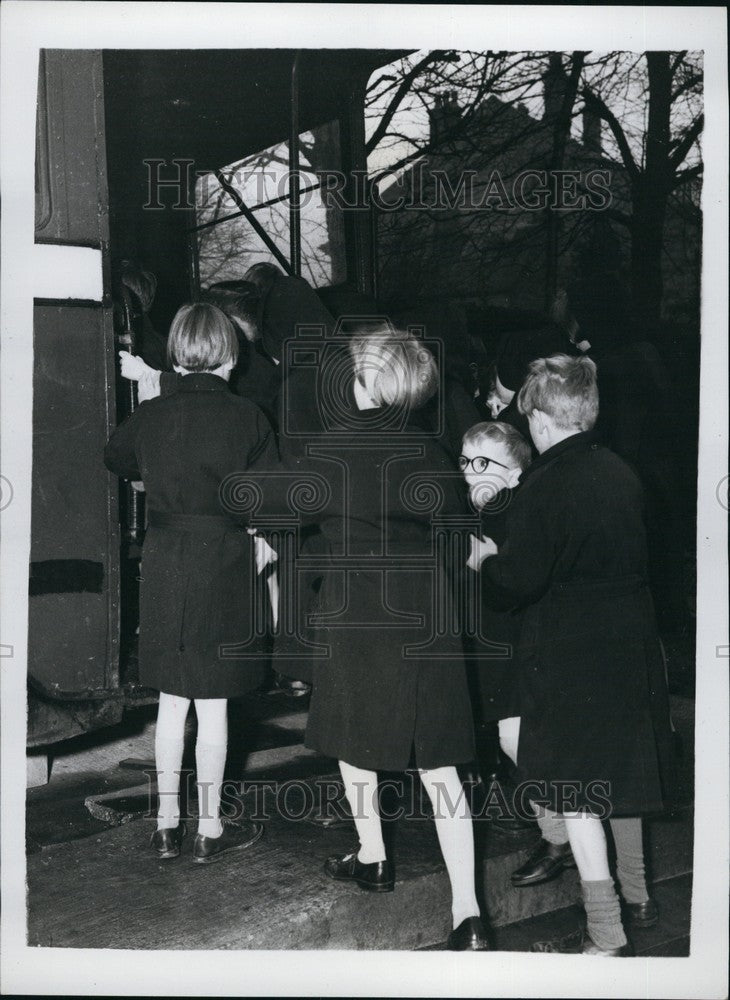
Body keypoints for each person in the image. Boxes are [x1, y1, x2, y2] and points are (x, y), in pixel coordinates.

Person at [243, 326, 490, 950]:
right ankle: (469, 914)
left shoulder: (329, 450)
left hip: (357, 611)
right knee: (440, 765)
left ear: (370, 383)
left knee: (355, 740)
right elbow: (457, 536)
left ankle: (373, 856)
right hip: (427, 611)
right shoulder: (434, 453)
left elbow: (282, 516)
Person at [470, 353, 672, 956]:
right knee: (620, 778)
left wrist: (485, 562)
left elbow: (517, 583)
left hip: (568, 649)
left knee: (576, 794)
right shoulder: (621, 471)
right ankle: (638, 896)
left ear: (538, 421)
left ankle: (606, 935)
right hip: (628, 641)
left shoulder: (545, 485)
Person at [104, 302, 277, 863]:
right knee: (216, 706)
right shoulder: (248, 417)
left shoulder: (153, 413)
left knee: (172, 703)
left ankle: (163, 824)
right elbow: (269, 493)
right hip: (224, 559)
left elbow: (115, 456)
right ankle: (208, 829)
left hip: (166, 561)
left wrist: (153, 478)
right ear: (230, 355)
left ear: (177, 354)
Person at [460, 421, 535, 833]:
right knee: (503, 730)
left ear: (514, 473)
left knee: (513, 732)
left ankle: (557, 810)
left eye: (484, 462)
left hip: (505, 637)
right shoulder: (476, 508)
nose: (471, 470)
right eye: (466, 460)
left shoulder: (507, 511)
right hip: (482, 634)